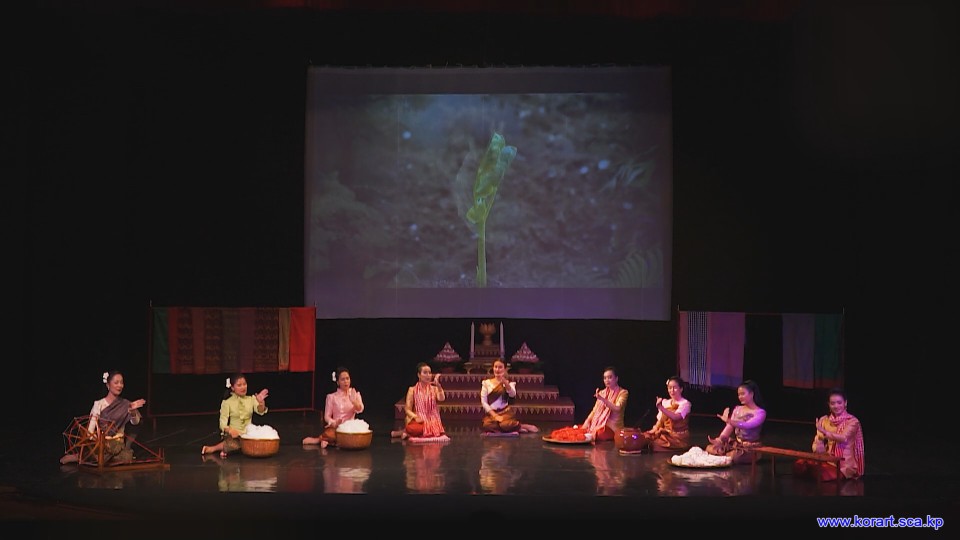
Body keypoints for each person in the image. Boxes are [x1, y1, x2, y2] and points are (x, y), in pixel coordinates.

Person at [60, 370, 147, 465]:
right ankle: (80, 456)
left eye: (121, 382)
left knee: (125, 457)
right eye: (116, 382)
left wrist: (132, 412)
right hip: (102, 444)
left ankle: (94, 458)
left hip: (118, 445)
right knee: (101, 455)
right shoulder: (99, 404)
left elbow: (135, 423)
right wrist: (99, 440)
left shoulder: (126, 404)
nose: (120, 385)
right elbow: (90, 431)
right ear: (108, 385)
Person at [793, 388, 864, 481]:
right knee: (800, 464)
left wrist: (825, 432)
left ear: (845, 403)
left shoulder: (852, 421)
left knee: (817, 473)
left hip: (843, 465)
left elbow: (843, 438)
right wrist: (817, 447)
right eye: (832, 403)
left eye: (839, 403)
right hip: (827, 459)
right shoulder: (824, 420)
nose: (836, 406)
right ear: (829, 405)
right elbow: (818, 439)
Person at [201, 373, 269, 458]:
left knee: (262, 440)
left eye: (244, 384)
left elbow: (260, 411)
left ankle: (228, 449)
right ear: (232, 388)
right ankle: (213, 448)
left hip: (248, 433)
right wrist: (230, 430)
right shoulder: (227, 402)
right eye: (239, 385)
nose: (243, 387)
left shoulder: (251, 399)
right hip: (233, 434)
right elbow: (222, 423)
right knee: (234, 444)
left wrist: (261, 403)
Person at [705, 379, 766, 465]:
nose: (740, 397)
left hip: (750, 448)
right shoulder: (738, 409)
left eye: (743, 394)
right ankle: (724, 455)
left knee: (734, 457)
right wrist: (719, 440)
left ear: (752, 394)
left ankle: (724, 456)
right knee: (710, 448)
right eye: (739, 394)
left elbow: (747, 425)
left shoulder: (760, 412)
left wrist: (729, 420)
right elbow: (729, 427)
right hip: (736, 444)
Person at [303, 366, 365, 448]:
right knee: (333, 433)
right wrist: (334, 423)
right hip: (337, 427)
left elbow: (360, 409)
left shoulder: (355, 394)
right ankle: (322, 439)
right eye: (343, 379)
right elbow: (327, 417)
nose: (346, 381)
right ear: (338, 382)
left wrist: (354, 402)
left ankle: (327, 440)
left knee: (360, 433)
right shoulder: (331, 397)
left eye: (347, 378)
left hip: (350, 427)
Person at [480, 358, 539, 434]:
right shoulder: (486, 383)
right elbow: (484, 402)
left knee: (505, 424)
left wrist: (505, 383)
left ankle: (521, 426)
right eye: (495, 367)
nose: (497, 370)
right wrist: (495, 416)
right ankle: (517, 427)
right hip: (492, 413)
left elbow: (512, 394)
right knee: (487, 425)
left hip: (505, 413)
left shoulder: (510, 383)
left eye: (500, 367)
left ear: (505, 369)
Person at [391, 362, 446, 439]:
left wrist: (439, 387)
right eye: (425, 373)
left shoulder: (435, 389)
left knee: (435, 428)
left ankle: (403, 433)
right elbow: (407, 409)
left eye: (429, 373)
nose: (428, 375)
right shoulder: (412, 389)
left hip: (432, 419)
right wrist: (416, 417)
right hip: (418, 419)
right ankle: (406, 432)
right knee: (413, 428)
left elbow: (441, 398)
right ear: (419, 375)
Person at [579, 366, 629, 442]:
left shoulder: (623, 392)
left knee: (596, 434)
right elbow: (594, 411)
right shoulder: (602, 393)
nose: (607, 380)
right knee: (581, 430)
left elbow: (617, 408)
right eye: (605, 378)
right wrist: (588, 420)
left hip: (612, 427)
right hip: (599, 424)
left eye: (610, 377)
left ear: (616, 378)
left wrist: (602, 399)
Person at [645, 375, 691, 452]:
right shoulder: (666, 402)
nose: (672, 390)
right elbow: (660, 421)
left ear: (681, 389)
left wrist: (661, 408)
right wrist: (653, 430)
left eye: (675, 388)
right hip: (665, 434)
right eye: (670, 388)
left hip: (677, 437)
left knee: (652, 445)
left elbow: (675, 417)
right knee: (644, 438)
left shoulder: (685, 404)